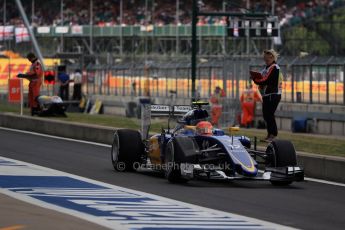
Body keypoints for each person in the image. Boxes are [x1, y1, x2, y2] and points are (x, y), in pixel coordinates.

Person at [250, 49, 283, 142]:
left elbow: (266, 80)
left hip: (273, 94)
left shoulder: (274, 67)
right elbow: (262, 78)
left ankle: (273, 134)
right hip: (267, 95)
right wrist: (256, 77)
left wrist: (255, 79)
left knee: (269, 114)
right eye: (264, 58)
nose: (265, 59)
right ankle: (269, 134)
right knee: (266, 115)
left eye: (267, 58)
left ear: (272, 57)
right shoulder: (266, 68)